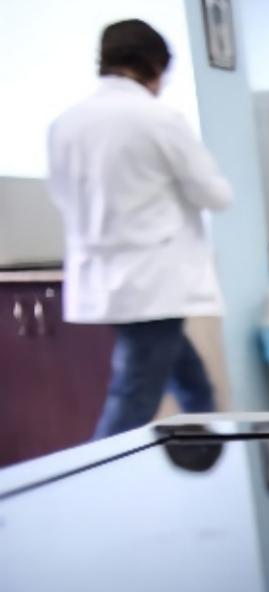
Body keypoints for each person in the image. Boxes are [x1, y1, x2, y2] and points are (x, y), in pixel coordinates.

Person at [46, 19, 233, 438]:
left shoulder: (65, 123)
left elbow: (61, 196)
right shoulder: (157, 119)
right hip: (153, 281)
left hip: (106, 278)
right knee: (133, 398)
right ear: (154, 65)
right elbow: (215, 195)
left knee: (195, 388)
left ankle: (212, 459)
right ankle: (98, 476)